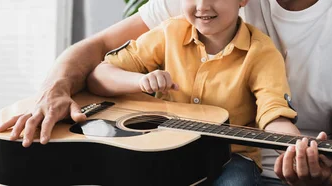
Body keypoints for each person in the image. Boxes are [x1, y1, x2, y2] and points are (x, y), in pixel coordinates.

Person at [0, 0, 332, 185]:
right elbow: (96, 54)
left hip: (249, 166)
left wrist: (313, 169)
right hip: (168, 157)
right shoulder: (185, 14)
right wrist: (56, 89)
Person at [86, 0, 299, 184]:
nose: (202, 6)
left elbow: (273, 114)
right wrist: (140, 80)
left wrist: (300, 149)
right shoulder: (169, 33)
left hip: (232, 158)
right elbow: (99, 76)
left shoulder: (262, 52)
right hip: (165, 150)